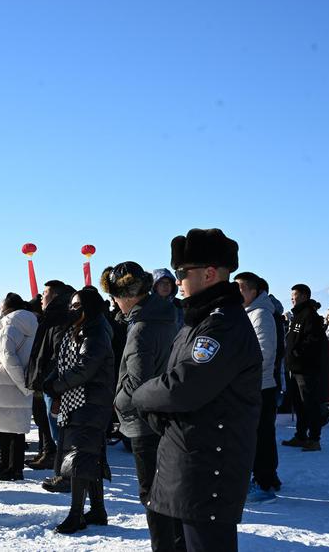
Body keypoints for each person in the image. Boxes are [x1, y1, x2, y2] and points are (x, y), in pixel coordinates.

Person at [133, 228, 262, 552]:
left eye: (181, 273)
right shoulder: (199, 320)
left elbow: (182, 387)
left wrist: (139, 394)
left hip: (208, 469)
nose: (177, 281)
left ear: (208, 273)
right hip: (188, 461)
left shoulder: (223, 324)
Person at [104, 262, 180, 549]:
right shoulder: (167, 315)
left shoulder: (142, 328)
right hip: (167, 414)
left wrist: (117, 401)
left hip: (144, 419)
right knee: (169, 492)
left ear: (129, 294)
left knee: (152, 494)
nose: (114, 301)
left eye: (116, 295)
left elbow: (136, 382)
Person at [42, 286, 115, 534]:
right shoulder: (78, 330)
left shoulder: (95, 331)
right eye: (71, 306)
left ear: (88, 308)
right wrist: (50, 381)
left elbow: (85, 368)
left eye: (77, 306)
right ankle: (97, 510)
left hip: (91, 402)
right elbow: (63, 363)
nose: (72, 310)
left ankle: (76, 515)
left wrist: (57, 386)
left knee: (81, 458)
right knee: (88, 456)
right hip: (81, 401)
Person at [0, 293, 38, 481]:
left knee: (5, 428)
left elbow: (7, 357)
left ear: (8, 308)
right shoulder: (31, 324)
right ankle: (8, 464)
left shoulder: (9, 327)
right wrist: (25, 384)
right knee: (14, 428)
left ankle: (11, 467)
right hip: (20, 382)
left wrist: (21, 383)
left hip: (7, 382)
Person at [235, 272, 281, 503]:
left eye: (241, 288)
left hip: (259, 385)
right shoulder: (249, 313)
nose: (238, 292)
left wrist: (237, 371)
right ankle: (268, 478)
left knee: (259, 436)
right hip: (254, 384)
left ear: (254, 291)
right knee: (260, 434)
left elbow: (264, 352)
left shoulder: (260, 314)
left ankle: (263, 482)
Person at [26, 280, 75, 490]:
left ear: (54, 296)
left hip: (54, 384)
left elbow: (58, 354)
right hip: (48, 381)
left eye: (44, 293)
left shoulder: (59, 318)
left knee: (62, 432)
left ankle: (68, 475)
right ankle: (60, 468)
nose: (40, 297)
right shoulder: (51, 316)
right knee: (54, 429)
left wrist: (50, 381)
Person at [283, 283, 327, 452]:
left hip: (306, 369)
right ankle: (301, 435)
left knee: (310, 404)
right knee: (299, 404)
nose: (293, 298)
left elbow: (313, 343)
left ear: (304, 296)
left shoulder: (310, 316)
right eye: (292, 295)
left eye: (296, 295)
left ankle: (314, 438)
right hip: (295, 369)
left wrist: (296, 353)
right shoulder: (298, 316)